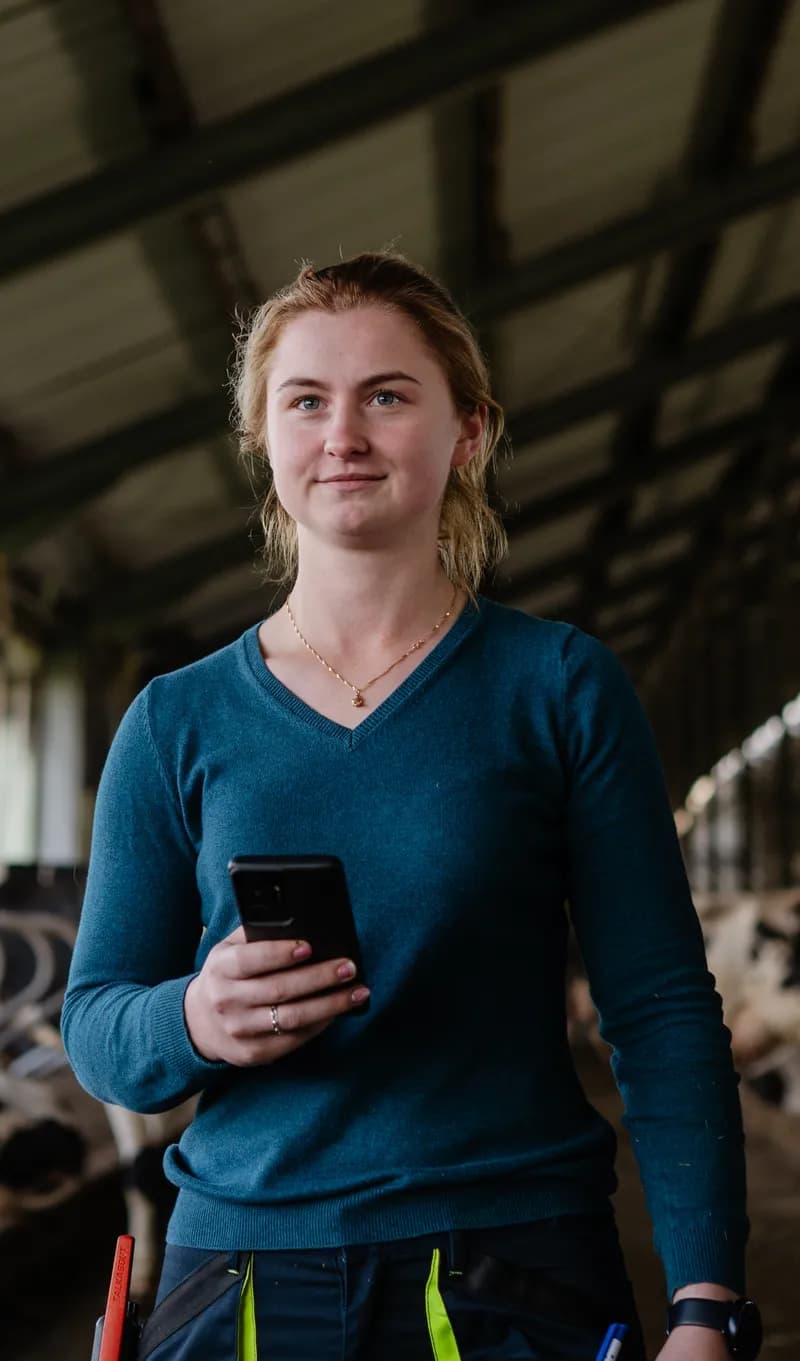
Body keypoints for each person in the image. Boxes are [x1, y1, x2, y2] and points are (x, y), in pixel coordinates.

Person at [62, 252, 756, 1361]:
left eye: (386, 394)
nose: (343, 433)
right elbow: (97, 1027)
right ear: (264, 440)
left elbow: (660, 1005)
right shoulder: (173, 720)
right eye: (305, 400)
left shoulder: (557, 685)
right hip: (244, 1275)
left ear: (466, 432)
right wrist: (194, 1016)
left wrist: (704, 1304)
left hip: (509, 1266)